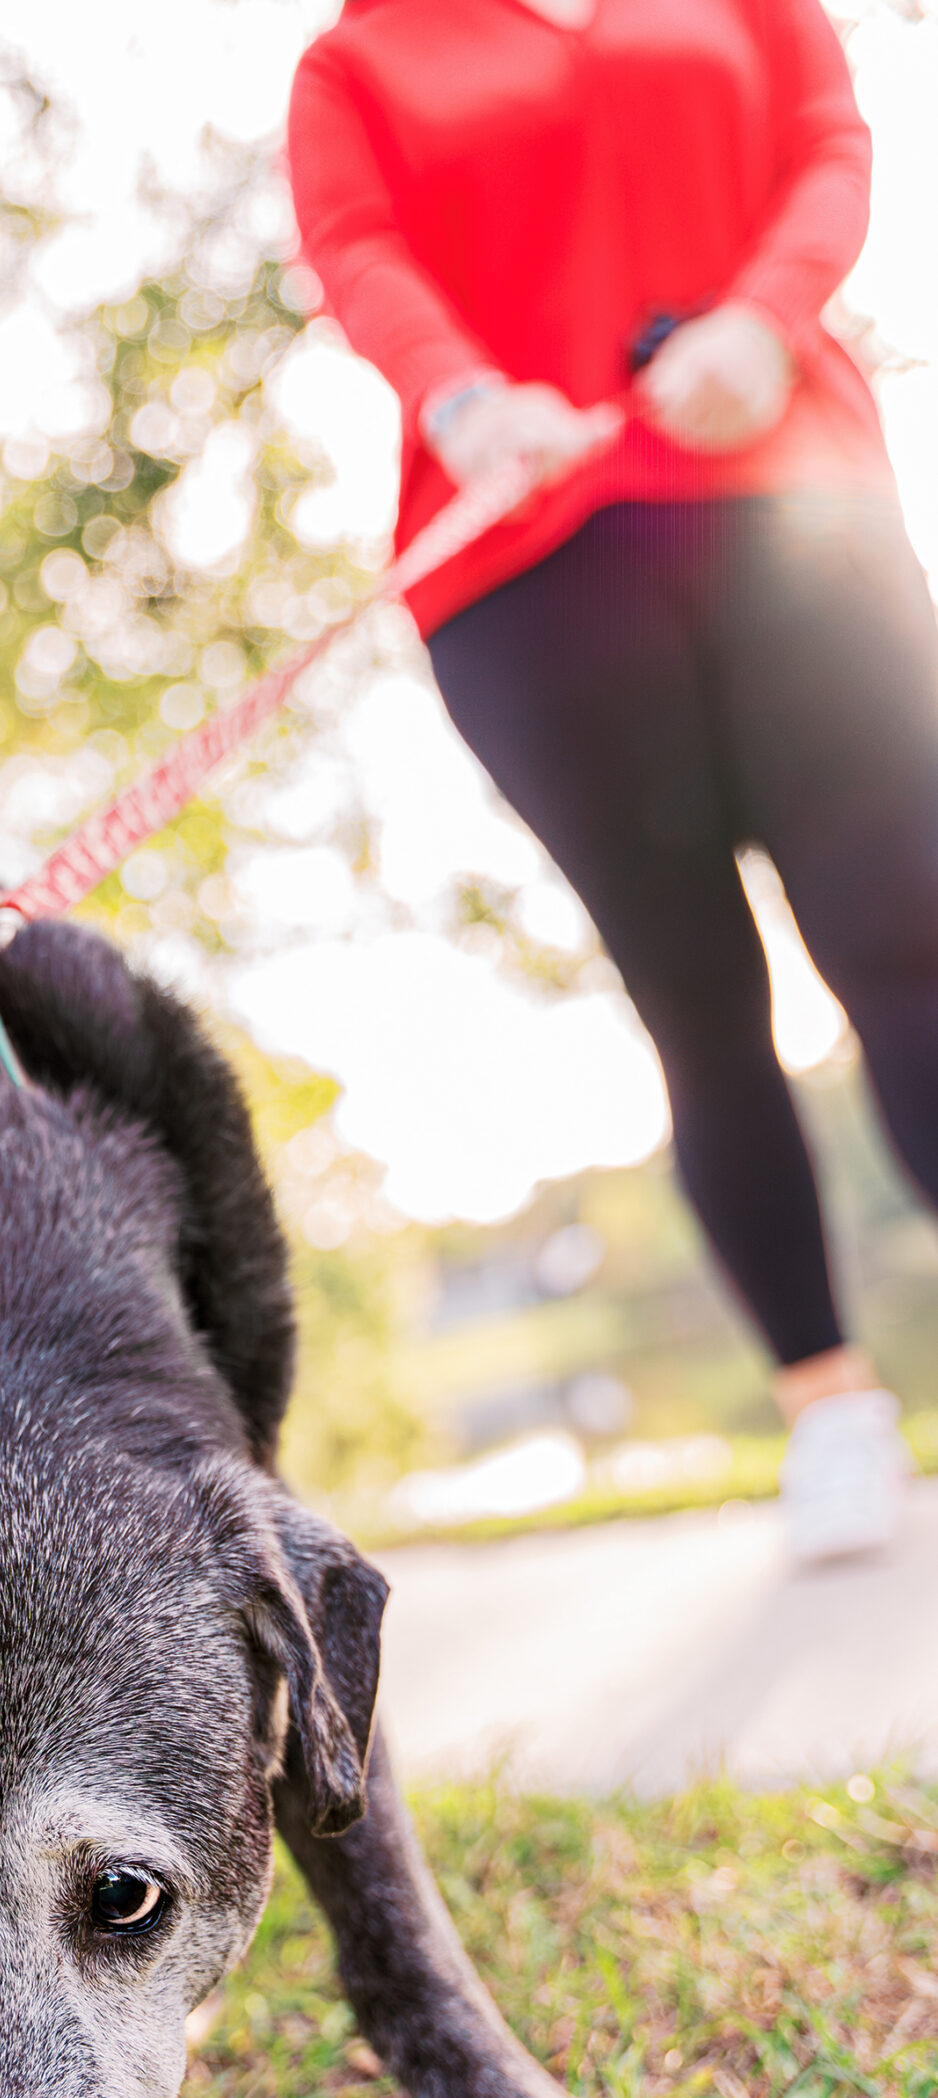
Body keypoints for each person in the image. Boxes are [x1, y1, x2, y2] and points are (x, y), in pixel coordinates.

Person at [287, 0, 938, 1563]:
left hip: (795, 509)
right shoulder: (358, 60)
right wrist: (464, 398)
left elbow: (827, 145)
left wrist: (763, 317)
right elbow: (360, 256)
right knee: (695, 995)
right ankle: (827, 1406)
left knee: (908, 935)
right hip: (531, 568)